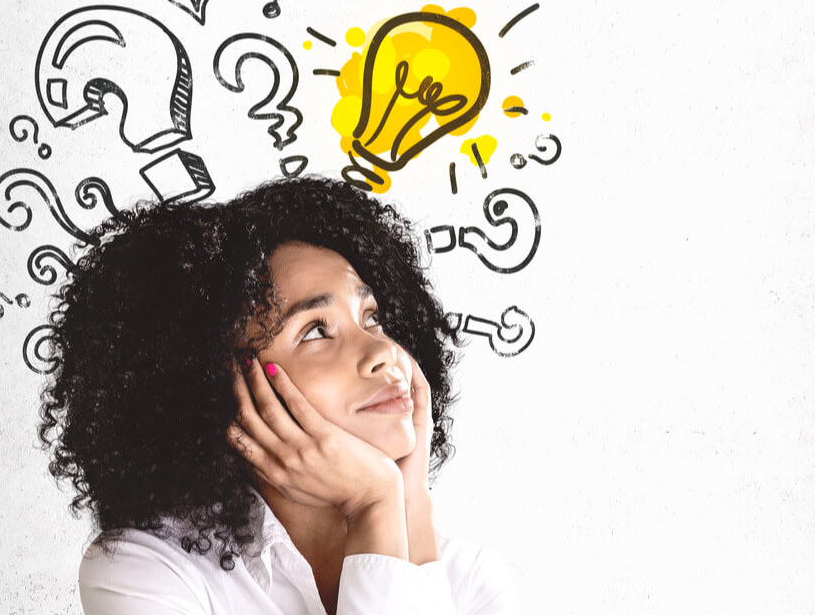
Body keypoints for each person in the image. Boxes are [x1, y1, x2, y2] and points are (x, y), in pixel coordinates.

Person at [39, 176, 520, 614]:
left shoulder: (472, 582)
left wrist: (406, 508)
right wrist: (373, 507)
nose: (382, 351)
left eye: (371, 317)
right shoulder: (143, 571)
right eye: (315, 330)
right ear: (220, 384)